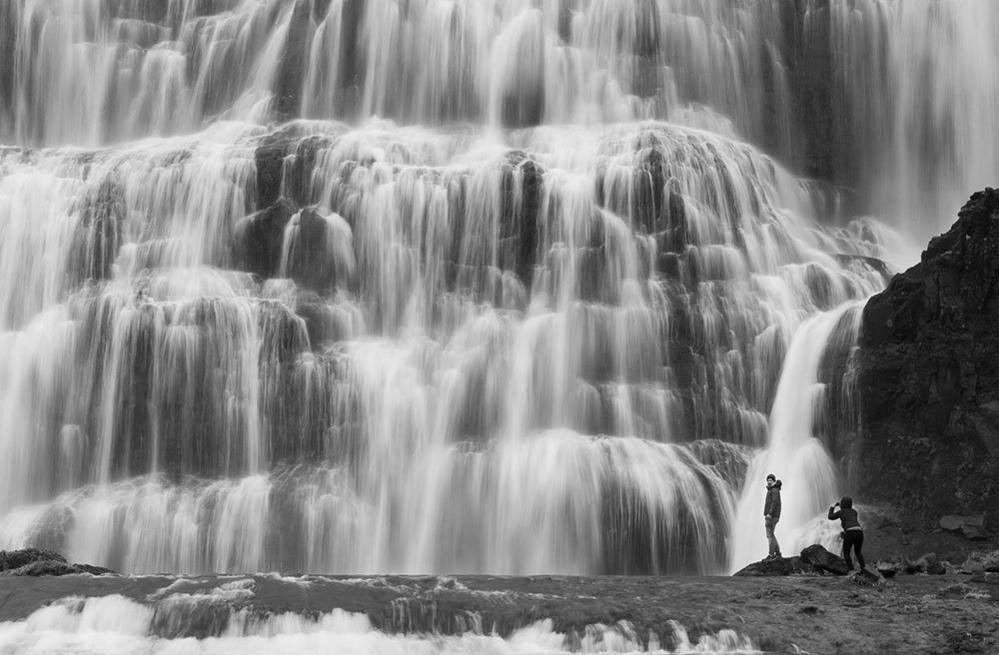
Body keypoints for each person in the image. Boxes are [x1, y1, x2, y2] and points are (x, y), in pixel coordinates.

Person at [828, 496, 865, 571]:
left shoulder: (842, 512)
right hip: (859, 532)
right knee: (858, 552)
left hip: (850, 533)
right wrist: (845, 535)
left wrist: (832, 506)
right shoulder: (854, 512)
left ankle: (851, 571)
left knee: (846, 553)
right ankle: (864, 568)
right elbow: (850, 524)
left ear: (842, 504)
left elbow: (830, 517)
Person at [763, 473, 782, 559]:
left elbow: (774, 503)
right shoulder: (772, 490)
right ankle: (777, 552)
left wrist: (770, 514)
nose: (769, 481)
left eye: (771, 480)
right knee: (771, 534)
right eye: (768, 480)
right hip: (772, 516)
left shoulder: (774, 490)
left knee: (770, 535)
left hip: (772, 516)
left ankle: (771, 554)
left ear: (774, 481)